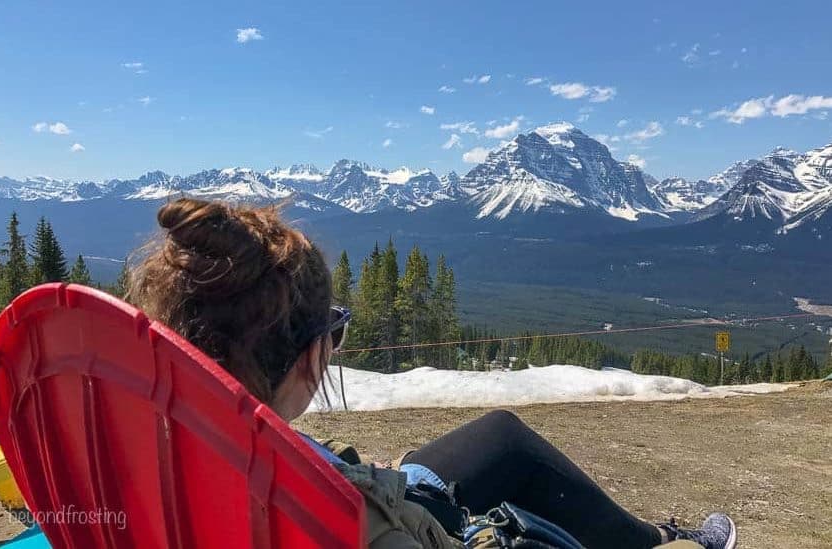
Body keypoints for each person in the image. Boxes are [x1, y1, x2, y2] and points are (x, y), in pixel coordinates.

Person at [126, 198, 736, 549]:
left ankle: (650, 537)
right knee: (509, 453)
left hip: (327, 489)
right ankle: (655, 546)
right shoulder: (360, 530)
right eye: (335, 331)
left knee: (498, 437)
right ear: (312, 354)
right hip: (381, 513)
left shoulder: (135, 443)